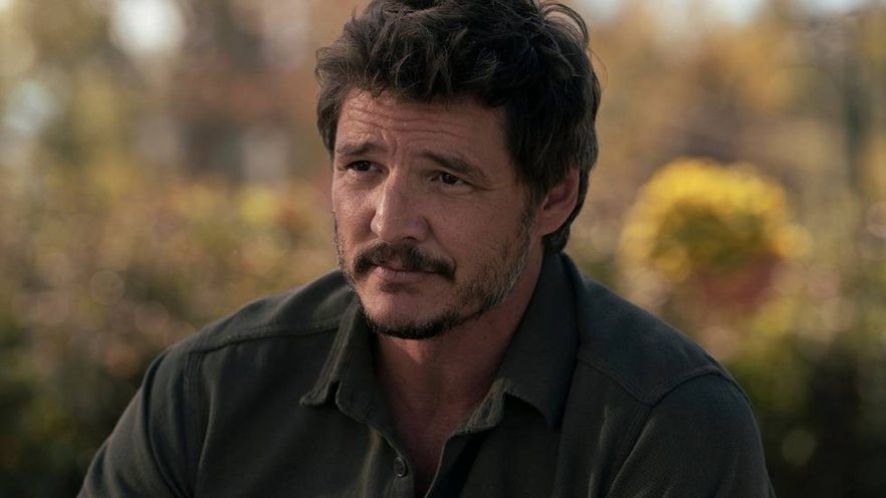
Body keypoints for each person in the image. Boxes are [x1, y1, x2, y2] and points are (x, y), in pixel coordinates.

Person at [80, 0, 775, 496]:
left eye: (447, 178)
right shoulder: (206, 395)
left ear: (553, 197)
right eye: (363, 167)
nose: (390, 223)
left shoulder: (667, 423)